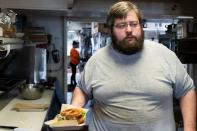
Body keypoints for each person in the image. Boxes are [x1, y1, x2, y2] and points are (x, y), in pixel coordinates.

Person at [71, 1, 196, 131]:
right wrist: (72, 115)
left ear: (140, 26)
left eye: (134, 24)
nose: (129, 30)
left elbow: (186, 90)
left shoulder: (165, 55)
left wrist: (190, 128)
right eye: (121, 25)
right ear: (110, 30)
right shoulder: (97, 60)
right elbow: (82, 90)